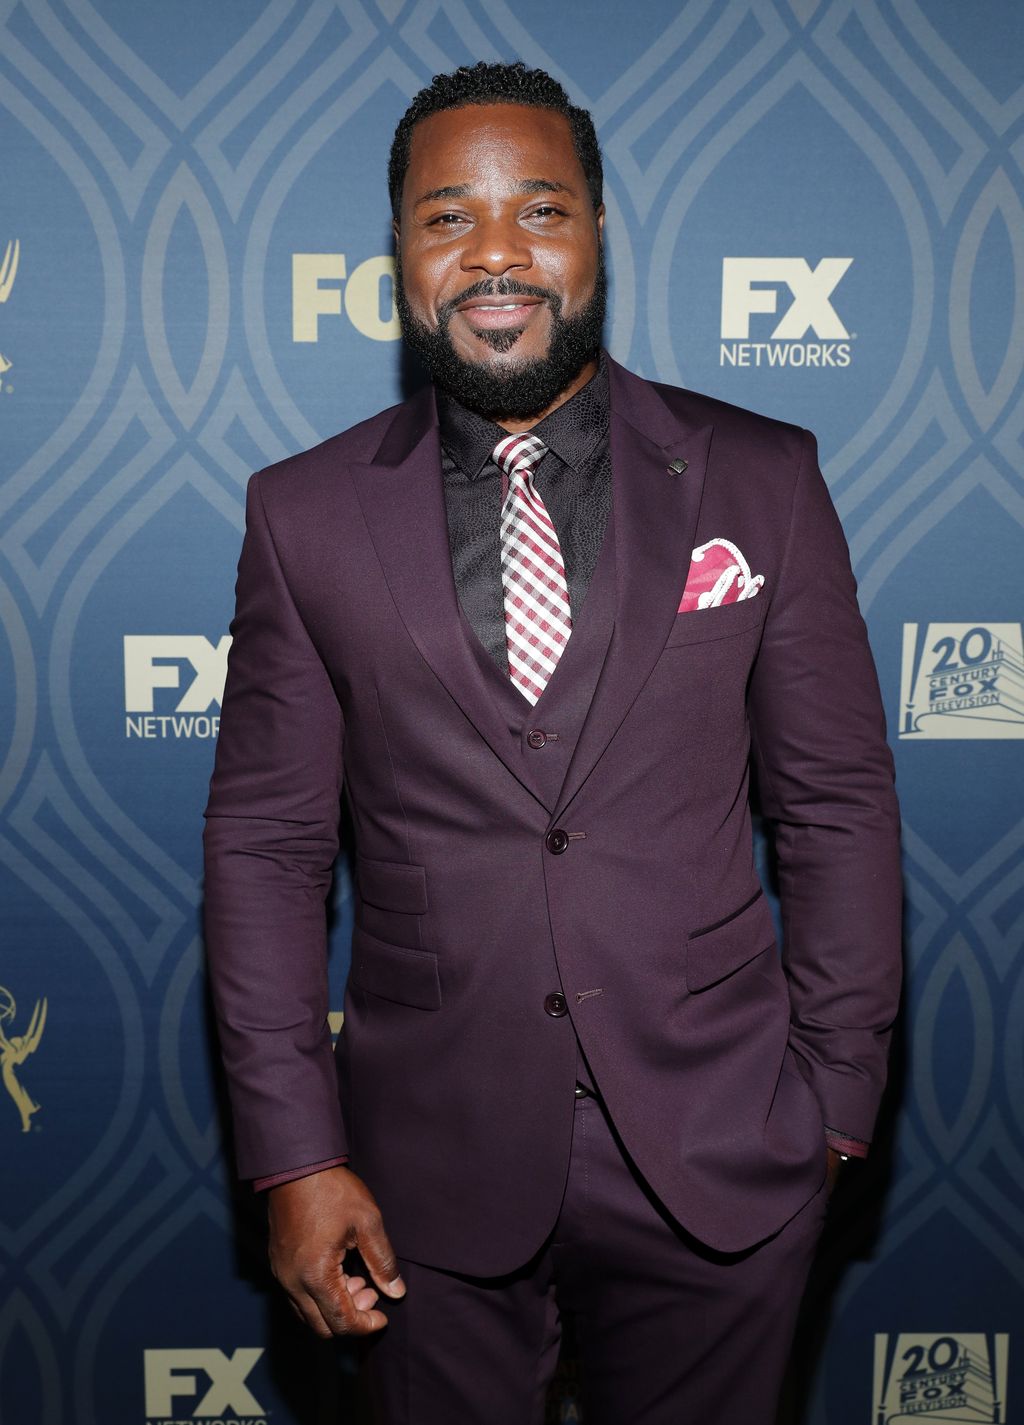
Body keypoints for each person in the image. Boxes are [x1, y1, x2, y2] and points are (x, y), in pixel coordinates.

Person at [203, 60, 902, 1425]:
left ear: (597, 234)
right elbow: (268, 850)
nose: (498, 253)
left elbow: (836, 807)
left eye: (542, 209)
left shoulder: (762, 476)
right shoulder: (304, 514)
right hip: (418, 1173)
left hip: (724, 1151)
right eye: (447, 217)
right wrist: (294, 1158)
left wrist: (833, 1099)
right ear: (399, 251)